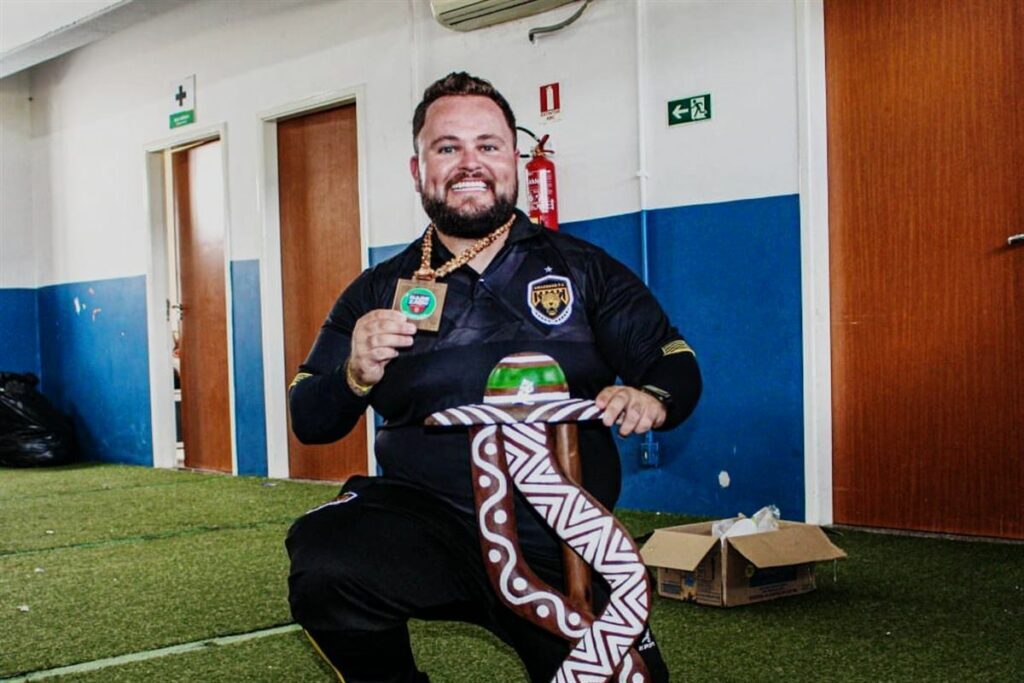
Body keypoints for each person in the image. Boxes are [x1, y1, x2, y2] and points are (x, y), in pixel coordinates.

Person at [286, 72, 701, 683]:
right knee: (326, 559)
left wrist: (650, 397)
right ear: (418, 167)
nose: (469, 163)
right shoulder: (378, 290)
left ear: (513, 159)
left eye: (488, 145)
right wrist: (353, 372)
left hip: (560, 540)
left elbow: (672, 360)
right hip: (429, 525)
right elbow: (308, 417)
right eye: (447, 147)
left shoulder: (583, 269)